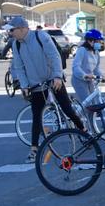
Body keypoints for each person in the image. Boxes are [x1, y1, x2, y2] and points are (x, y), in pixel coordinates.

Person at [5, 16, 86, 162]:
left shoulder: (40, 36)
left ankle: (84, 132)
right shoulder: (16, 44)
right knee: (37, 116)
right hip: (36, 84)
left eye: (12, 30)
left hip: (52, 78)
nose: (10, 33)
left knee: (67, 109)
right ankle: (34, 149)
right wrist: (24, 85)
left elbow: (54, 56)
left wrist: (57, 76)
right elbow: (19, 66)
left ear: (22, 28)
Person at [70, 29, 105, 104]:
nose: (100, 43)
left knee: (94, 103)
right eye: (98, 41)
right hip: (79, 80)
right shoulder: (82, 50)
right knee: (87, 104)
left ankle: (92, 116)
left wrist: (101, 76)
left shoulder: (96, 52)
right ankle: (77, 115)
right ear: (90, 41)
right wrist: (84, 75)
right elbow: (75, 67)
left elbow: (96, 68)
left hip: (90, 80)